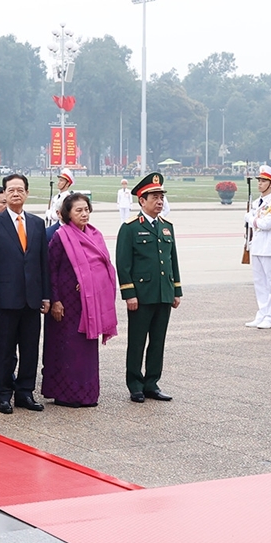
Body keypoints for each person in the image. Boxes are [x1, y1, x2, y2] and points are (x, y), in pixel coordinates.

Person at [0, 173, 51, 414]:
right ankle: (2, 393)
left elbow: (43, 263)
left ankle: (25, 392)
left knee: (30, 348)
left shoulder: (37, 223)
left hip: (32, 299)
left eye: (20, 190)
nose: (16, 194)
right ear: (4, 194)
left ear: (27, 193)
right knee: (3, 349)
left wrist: (46, 296)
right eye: (11, 190)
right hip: (4, 299)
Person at [44, 193, 118, 407]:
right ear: (67, 214)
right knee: (67, 349)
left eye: (86, 209)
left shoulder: (95, 235)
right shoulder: (60, 236)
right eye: (78, 210)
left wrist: (90, 283)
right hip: (66, 304)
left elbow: (104, 267)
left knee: (87, 349)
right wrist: (55, 300)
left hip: (89, 305)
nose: (84, 214)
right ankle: (65, 395)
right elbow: (51, 270)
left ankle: (87, 394)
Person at [116, 173, 181, 403]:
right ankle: (135, 384)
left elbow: (173, 260)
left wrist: (176, 290)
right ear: (142, 201)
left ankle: (152, 383)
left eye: (161, 197)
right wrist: (129, 294)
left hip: (163, 293)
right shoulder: (131, 228)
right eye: (154, 197)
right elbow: (123, 264)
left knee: (158, 341)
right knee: (137, 341)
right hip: (141, 296)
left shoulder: (167, 227)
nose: (160, 201)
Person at [245, 164, 271, 329]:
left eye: (263, 181)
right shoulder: (255, 203)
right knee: (259, 283)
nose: (260, 183)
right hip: (257, 245)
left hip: (270, 247)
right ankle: (261, 314)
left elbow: (266, 224)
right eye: (259, 180)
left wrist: (251, 219)